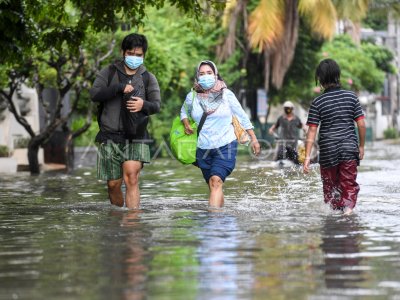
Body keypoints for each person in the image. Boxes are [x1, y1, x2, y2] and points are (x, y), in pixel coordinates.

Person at [90, 33, 161, 209]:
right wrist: (118, 88)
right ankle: (117, 223)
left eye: (139, 55)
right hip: (110, 136)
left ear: (144, 55)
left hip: (137, 136)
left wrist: (143, 104)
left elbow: (157, 105)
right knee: (113, 185)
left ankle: (132, 224)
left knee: (131, 177)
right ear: (123, 52)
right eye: (131, 53)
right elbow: (95, 95)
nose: (134, 58)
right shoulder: (109, 72)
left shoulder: (148, 77)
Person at [180, 60, 261, 208]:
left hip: (226, 145)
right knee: (213, 185)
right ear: (197, 77)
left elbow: (242, 116)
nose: (206, 76)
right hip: (203, 148)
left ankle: (213, 223)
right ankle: (221, 222)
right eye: (202, 74)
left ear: (216, 75)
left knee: (215, 181)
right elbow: (184, 111)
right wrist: (186, 124)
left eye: (209, 73)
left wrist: (254, 139)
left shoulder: (226, 95)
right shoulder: (192, 97)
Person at [303, 58, 366, 215]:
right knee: (348, 183)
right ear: (338, 75)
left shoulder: (317, 102)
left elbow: (312, 130)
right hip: (349, 148)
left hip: (328, 150)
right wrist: (362, 146)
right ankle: (348, 210)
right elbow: (361, 124)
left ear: (320, 79)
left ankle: (335, 217)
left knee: (330, 188)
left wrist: (307, 156)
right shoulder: (352, 97)